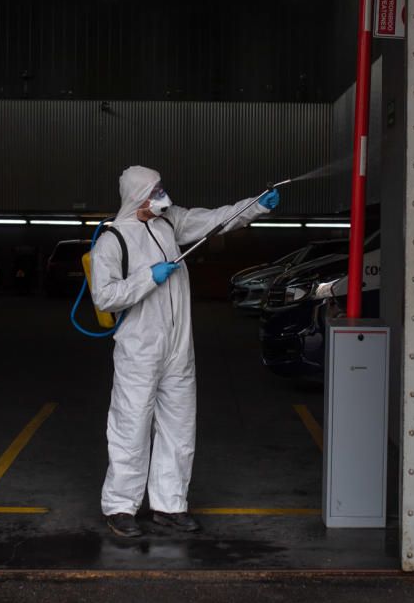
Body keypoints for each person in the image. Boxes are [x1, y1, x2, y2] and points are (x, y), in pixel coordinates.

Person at [90, 165, 280, 537]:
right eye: (155, 190)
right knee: (131, 427)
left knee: (179, 428)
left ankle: (170, 505)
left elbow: (215, 221)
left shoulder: (169, 223)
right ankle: (120, 507)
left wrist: (257, 206)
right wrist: (148, 278)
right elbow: (105, 296)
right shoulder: (113, 241)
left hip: (178, 348)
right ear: (136, 195)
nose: (162, 196)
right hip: (140, 350)